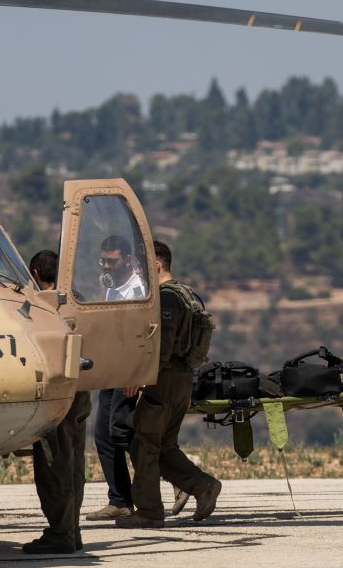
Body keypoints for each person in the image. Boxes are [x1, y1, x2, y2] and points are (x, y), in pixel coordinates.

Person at [115, 241, 221, 529]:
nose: (138, 272)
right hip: (181, 380)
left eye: (141, 266)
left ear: (157, 265)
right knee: (164, 447)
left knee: (143, 445)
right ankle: (203, 487)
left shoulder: (167, 298)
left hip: (164, 380)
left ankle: (149, 511)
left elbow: (161, 345)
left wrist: (140, 378)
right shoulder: (187, 295)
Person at [25, 249, 93, 554]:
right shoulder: (78, 300)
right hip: (81, 393)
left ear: (36, 275)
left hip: (56, 397)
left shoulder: (41, 306)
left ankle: (62, 532)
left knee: (54, 466)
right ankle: (72, 529)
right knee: (74, 462)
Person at [87, 234, 145, 521]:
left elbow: (141, 336)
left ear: (127, 260)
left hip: (128, 373)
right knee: (104, 435)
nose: (107, 266)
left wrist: (136, 374)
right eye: (104, 261)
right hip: (112, 370)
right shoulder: (112, 289)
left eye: (112, 261)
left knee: (124, 433)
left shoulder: (137, 291)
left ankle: (171, 480)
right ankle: (120, 499)